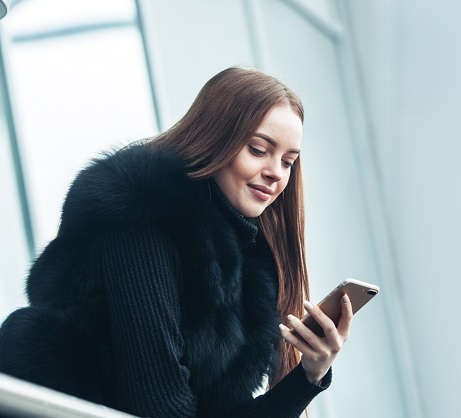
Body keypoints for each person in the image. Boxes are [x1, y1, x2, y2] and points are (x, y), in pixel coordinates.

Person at [0, 67, 353, 417]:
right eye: (259, 149)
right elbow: (158, 406)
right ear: (215, 137)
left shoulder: (245, 270)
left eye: (289, 162)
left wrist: (310, 375)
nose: (277, 172)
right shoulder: (142, 216)